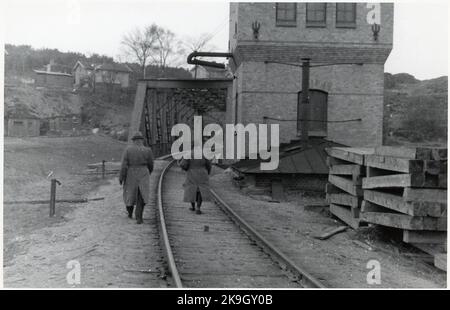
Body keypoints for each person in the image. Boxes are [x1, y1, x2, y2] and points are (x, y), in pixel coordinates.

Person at [119, 131, 154, 224]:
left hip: (131, 173)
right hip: (143, 172)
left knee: (129, 194)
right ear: (141, 140)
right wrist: (147, 173)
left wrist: (121, 177)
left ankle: (130, 213)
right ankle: (139, 217)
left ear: (133, 140)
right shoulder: (148, 150)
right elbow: (151, 165)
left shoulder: (128, 150)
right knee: (141, 195)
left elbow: (123, 166)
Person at [179, 148, 212, 214]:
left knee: (192, 190)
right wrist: (207, 172)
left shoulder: (189, 154)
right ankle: (198, 208)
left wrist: (186, 169)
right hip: (203, 173)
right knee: (200, 191)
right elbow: (209, 165)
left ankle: (193, 207)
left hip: (191, 173)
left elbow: (182, 164)